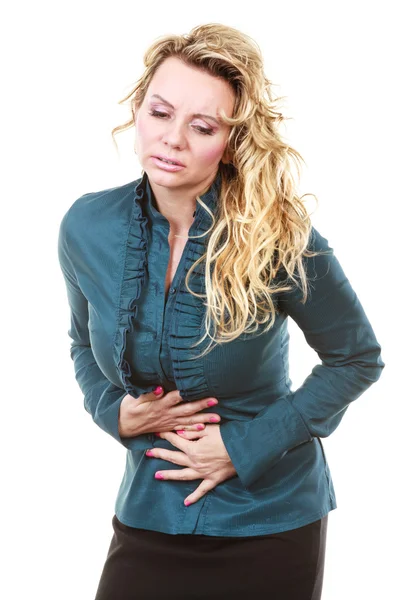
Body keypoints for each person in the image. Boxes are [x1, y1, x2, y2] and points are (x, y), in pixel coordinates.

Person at [57, 23, 385, 600]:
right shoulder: (86, 227)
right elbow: (83, 343)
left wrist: (244, 447)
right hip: (148, 511)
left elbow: (356, 358)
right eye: (160, 113)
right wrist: (112, 410)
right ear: (137, 112)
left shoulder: (279, 235)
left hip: (272, 520)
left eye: (202, 126)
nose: (173, 138)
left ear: (231, 141)